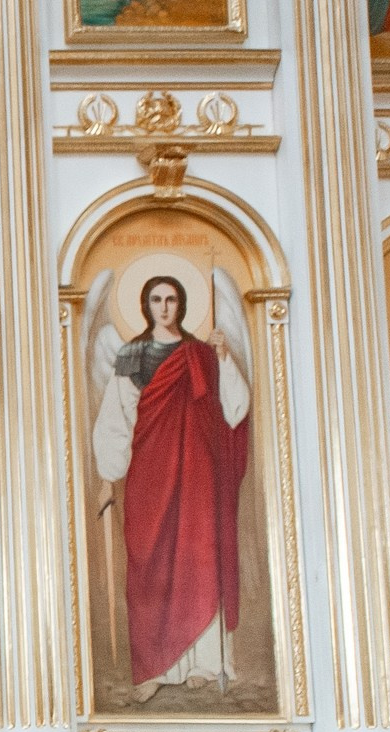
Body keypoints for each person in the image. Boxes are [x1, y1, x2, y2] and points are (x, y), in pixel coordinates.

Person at [91, 273, 250, 703]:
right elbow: (116, 415)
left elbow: (234, 408)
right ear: (146, 305)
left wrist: (224, 358)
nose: (164, 307)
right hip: (150, 472)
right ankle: (157, 666)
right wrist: (109, 475)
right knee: (151, 561)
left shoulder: (201, 353)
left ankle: (203, 663)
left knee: (200, 557)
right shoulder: (132, 353)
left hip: (199, 472)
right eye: (156, 299)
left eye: (172, 299)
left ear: (181, 305)